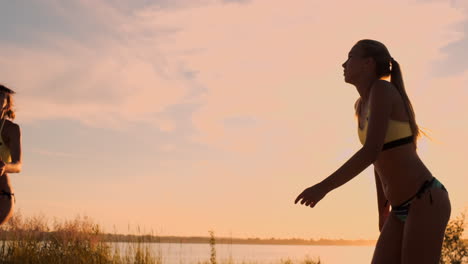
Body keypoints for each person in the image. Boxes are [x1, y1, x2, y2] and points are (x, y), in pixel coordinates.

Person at [294, 39, 451, 263]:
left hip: (425, 198)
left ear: (367, 63)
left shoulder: (382, 90)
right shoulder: (361, 104)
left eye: (349, 57)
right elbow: (379, 161)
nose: (343, 64)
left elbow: (370, 152)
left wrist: (323, 188)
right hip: (398, 209)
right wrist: (382, 209)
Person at [0, 84, 22, 225]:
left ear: (7, 105)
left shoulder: (11, 129)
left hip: (1, 195)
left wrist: (5, 167)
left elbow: (18, 165)